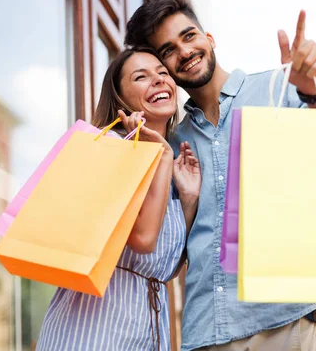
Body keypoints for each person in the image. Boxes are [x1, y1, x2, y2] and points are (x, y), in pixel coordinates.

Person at [124, 0, 316, 351]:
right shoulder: (170, 144)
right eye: (168, 50)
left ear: (209, 38)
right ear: (165, 67)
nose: (185, 51)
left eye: (189, 36)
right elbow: (168, 252)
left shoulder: (277, 91)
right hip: (208, 329)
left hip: (284, 319)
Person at [36, 47, 201, 351]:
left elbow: (164, 266)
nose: (158, 80)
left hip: (148, 332)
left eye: (162, 73)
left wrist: (189, 199)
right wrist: (163, 156)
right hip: (94, 330)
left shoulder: (173, 164)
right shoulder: (110, 147)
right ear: (121, 97)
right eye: (141, 77)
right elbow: (142, 238)